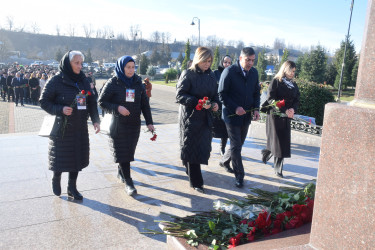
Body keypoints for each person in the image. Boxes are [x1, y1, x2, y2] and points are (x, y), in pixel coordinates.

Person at [40, 50, 100, 200]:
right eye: (77, 63)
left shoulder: (83, 81)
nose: (80, 66)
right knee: (60, 158)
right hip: (62, 128)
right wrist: (60, 109)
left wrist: (96, 120)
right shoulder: (56, 80)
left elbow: (92, 102)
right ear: (68, 63)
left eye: (81, 63)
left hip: (79, 127)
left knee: (76, 159)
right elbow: (44, 101)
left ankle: (72, 187)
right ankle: (56, 178)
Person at [98, 55, 154, 196]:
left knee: (128, 153)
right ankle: (129, 183)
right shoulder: (113, 82)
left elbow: (144, 105)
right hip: (118, 124)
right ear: (121, 67)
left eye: (132, 67)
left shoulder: (138, 83)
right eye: (127, 67)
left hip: (134, 124)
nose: (130, 70)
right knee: (123, 153)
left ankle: (121, 172)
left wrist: (149, 122)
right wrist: (117, 108)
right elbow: (102, 102)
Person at [176, 47, 219, 193]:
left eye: (210, 61)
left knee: (201, 148)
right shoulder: (188, 74)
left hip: (205, 118)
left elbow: (215, 95)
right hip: (190, 117)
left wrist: (215, 104)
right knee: (192, 147)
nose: (207, 64)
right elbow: (180, 95)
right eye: (205, 61)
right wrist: (197, 102)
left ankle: (188, 167)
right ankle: (197, 182)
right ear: (198, 59)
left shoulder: (211, 76)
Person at [218, 47, 260, 188]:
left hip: (246, 116)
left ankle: (224, 160)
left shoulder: (254, 73)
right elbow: (221, 94)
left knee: (238, 145)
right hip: (231, 116)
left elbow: (256, 93)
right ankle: (239, 176)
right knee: (236, 147)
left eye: (253, 60)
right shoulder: (229, 71)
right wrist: (235, 107)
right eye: (248, 60)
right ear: (240, 58)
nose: (250, 63)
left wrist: (256, 109)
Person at [261, 60, 300, 178]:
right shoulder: (276, 82)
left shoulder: (294, 85)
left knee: (282, 142)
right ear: (285, 69)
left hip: (287, 117)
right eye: (291, 71)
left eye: (294, 71)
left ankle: (270, 155)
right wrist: (284, 110)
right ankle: (275, 164)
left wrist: (293, 109)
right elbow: (271, 99)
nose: (293, 73)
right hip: (275, 115)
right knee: (277, 140)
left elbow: (297, 100)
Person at [212, 55, 233, 173]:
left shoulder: (232, 73)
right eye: (225, 62)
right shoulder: (215, 73)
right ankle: (208, 147)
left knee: (225, 130)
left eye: (229, 62)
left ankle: (222, 147)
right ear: (222, 62)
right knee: (213, 127)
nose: (227, 64)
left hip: (226, 106)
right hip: (216, 105)